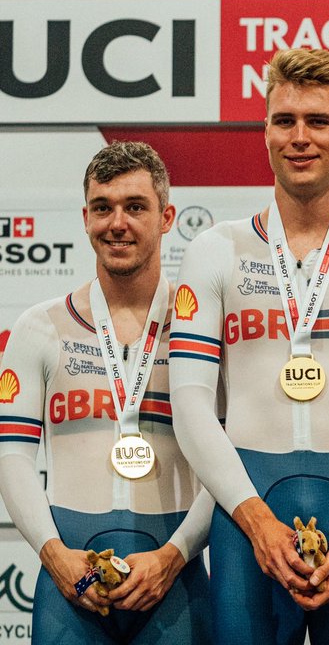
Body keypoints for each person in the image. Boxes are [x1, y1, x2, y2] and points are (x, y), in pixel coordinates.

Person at [169, 48, 329, 644]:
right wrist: (255, 520)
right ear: (264, 129)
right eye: (284, 120)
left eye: (318, 121)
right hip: (245, 520)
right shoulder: (217, 250)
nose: (300, 137)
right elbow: (189, 405)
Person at [0, 141, 212, 643]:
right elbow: (11, 457)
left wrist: (174, 555)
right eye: (103, 208)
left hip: (173, 579)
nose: (117, 223)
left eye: (135, 207)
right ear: (85, 217)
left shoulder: (201, 326)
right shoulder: (38, 328)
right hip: (67, 580)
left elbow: (230, 459)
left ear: (166, 217)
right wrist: (53, 552)